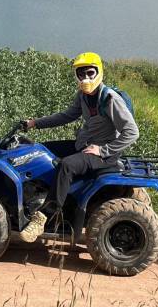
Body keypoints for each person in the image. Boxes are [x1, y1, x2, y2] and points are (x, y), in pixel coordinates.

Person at [18, 52, 139, 243]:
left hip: (103, 155)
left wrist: (103, 150)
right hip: (83, 145)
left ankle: (44, 216)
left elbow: (132, 132)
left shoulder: (110, 99)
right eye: (81, 74)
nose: (86, 78)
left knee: (66, 165)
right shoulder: (83, 96)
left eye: (90, 73)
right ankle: (38, 194)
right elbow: (67, 116)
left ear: (99, 72)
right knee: (38, 151)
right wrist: (34, 123)